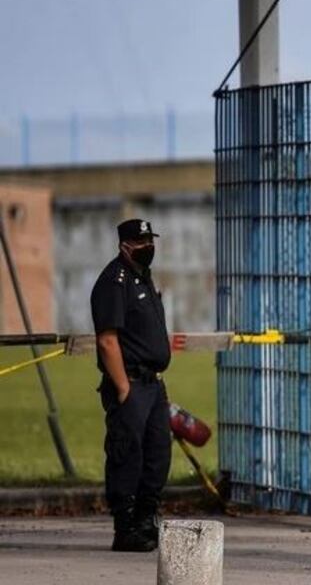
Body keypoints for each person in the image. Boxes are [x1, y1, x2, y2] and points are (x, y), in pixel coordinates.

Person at [90, 219, 172, 552]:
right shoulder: (115, 281)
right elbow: (108, 341)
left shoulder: (143, 278)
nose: (147, 246)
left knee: (157, 455)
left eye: (149, 239)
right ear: (125, 245)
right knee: (128, 454)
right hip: (132, 383)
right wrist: (123, 388)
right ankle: (125, 529)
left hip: (152, 385)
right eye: (140, 241)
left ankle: (144, 521)